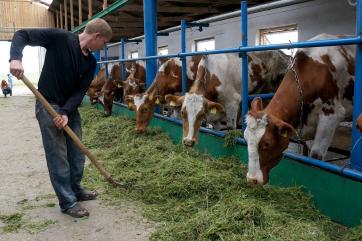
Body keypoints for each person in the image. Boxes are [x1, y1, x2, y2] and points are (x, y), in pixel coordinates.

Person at [9, 18, 112, 218]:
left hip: (69, 109)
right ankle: (67, 201)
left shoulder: (90, 62)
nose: (103, 46)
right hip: (47, 104)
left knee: (77, 154)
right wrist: (15, 58)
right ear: (97, 36)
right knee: (58, 156)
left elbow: (80, 91)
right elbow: (22, 34)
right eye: (105, 42)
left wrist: (65, 112)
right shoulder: (60, 38)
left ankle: (75, 189)